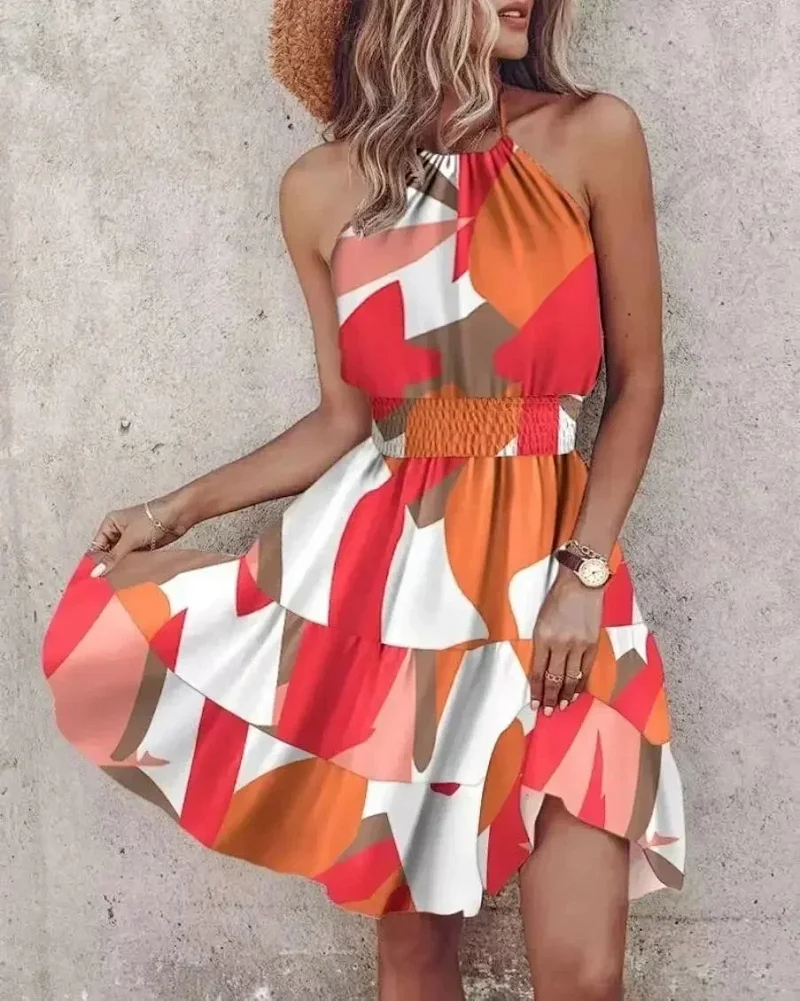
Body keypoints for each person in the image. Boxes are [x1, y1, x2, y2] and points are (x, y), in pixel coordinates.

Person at [42, 1, 686, 998]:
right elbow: (342, 419)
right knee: (414, 954)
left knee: (583, 969)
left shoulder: (592, 135)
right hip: (398, 597)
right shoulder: (320, 190)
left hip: (560, 584)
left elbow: (639, 384)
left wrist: (585, 571)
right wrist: (175, 510)